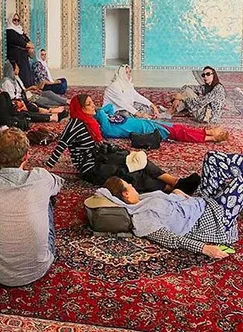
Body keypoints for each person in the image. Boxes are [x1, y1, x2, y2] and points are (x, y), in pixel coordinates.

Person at [101, 150, 243, 258]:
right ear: (125, 194)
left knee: (212, 158)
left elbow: (169, 203)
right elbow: (171, 239)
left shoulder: (142, 199)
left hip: (200, 202)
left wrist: (177, 194)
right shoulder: (142, 218)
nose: (132, 185)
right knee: (240, 183)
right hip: (211, 221)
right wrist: (204, 248)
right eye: (128, 185)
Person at [47, 95, 200, 194]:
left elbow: (98, 142)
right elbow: (61, 145)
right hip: (91, 167)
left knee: (134, 157)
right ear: (80, 108)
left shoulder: (90, 122)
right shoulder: (74, 125)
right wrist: (46, 168)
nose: (94, 106)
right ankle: (170, 188)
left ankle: (175, 181)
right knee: (128, 173)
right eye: (89, 104)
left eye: (92, 102)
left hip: (101, 156)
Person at [0, 128, 64, 287]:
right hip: (40, 266)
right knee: (46, 199)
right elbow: (58, 184)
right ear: (26, 155)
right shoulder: (41, 177)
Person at [95, 102, 229, 143]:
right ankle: (210, 137)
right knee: (178, 133)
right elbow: (102, 111)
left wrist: (100, 113)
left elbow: (110, 107)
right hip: (148, 131)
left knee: (178, 127)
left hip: (147, 124)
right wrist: (99, 113)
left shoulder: (108, 119)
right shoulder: (107, 129)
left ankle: (209, 134)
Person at [6, 12, 32, 87]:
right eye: (14, 20)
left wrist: (30, 46)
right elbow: (20, 42)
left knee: (27, 74)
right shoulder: (10, 31)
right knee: (23, 75)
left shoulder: (19, 30)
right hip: (16, 57)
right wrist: (28, 45)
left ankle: (30, 89)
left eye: (18, 20)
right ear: (11, 20)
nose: (16, 22)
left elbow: (27, 39)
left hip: (23, 56)